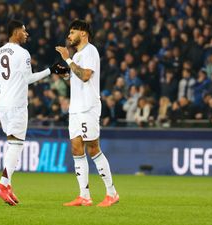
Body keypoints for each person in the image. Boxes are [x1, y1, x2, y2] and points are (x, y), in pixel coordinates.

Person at [0, 20, 68, 206]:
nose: (26, 34)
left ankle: (8, 185)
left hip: (2, 103)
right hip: (17, 103)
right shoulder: (23, 53)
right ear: (16, 32)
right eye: (24, 31)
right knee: (16, 145)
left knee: (12, 143)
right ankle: (2, 185)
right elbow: (27, 79)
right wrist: (50, 70)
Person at [56, 19, 119, 207]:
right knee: (76, 148)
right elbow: (76, 78)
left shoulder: (90, 51)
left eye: (72, 32)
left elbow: (85, 76)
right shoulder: (77, 56)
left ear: (83, 33)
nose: (69, 35)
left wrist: (67, 59)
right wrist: (66, 74)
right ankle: (84, 195)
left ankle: (111, 193)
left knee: (93, 148)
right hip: (75, 109)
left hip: (88, 108)